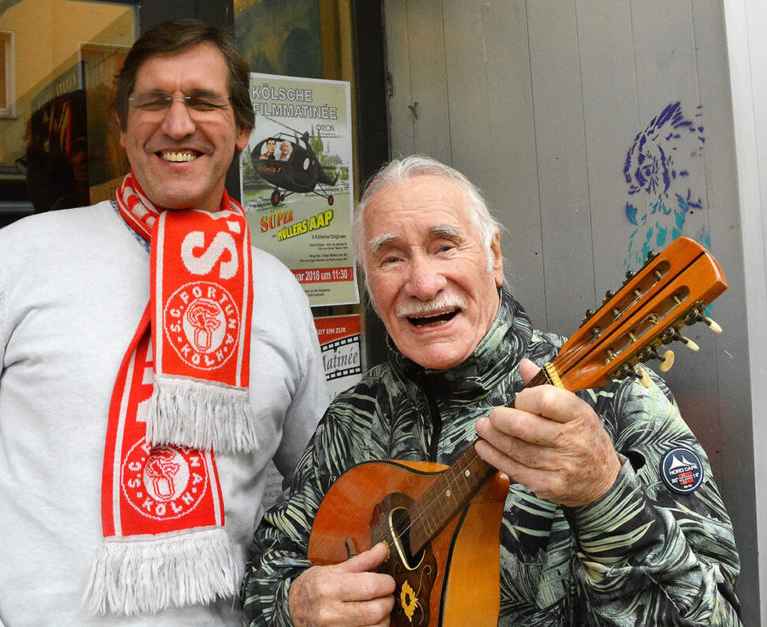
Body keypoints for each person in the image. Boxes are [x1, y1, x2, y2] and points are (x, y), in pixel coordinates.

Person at [0, 19, 328, 626]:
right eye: (154, 101)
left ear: (241, 130)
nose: (177, 124)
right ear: (123, 130)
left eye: (204, 102)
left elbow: (316, 486)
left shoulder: (279, 293)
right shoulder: (21, 257)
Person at [242, 155, 741, 626]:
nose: (422, 281)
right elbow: (267, 569)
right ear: (369, 284)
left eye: (445, 246)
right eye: (391, 258)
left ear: (494, 256)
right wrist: (296, 602)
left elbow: (712, 617)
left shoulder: (619, 399)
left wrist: (603, 492)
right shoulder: (354, 417)